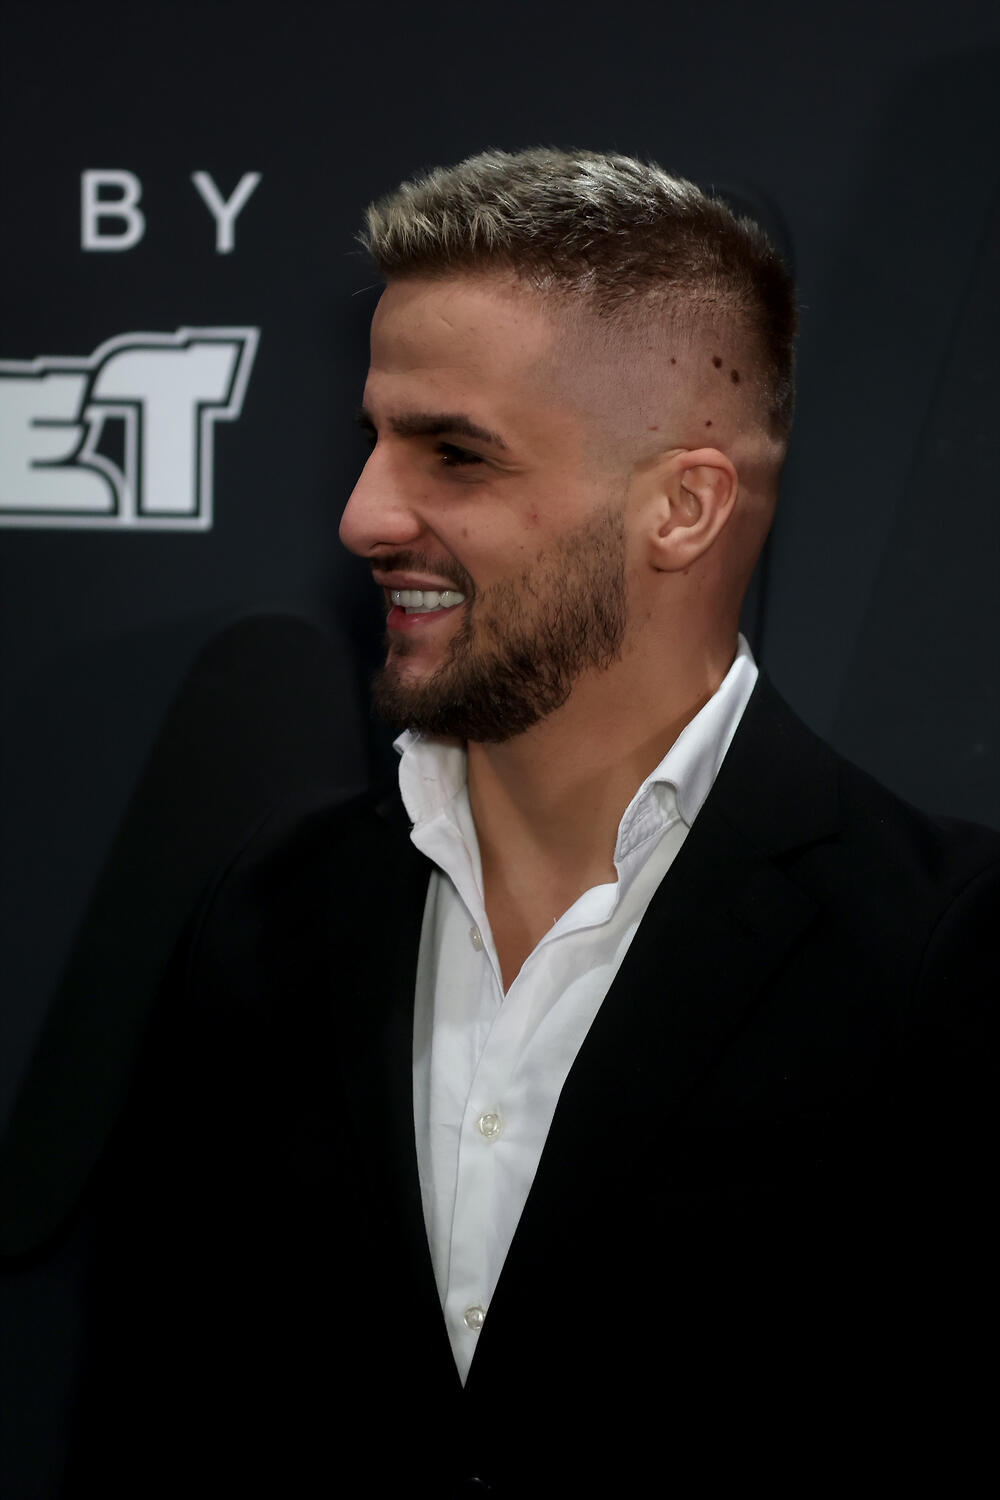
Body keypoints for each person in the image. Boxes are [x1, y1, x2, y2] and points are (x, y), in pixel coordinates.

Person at [63, 149, 998, 1496]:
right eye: (374, 439)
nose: (363, 514)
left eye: (455, 453)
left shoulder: (940, 952)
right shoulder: (265, 916)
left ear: (682, 506)